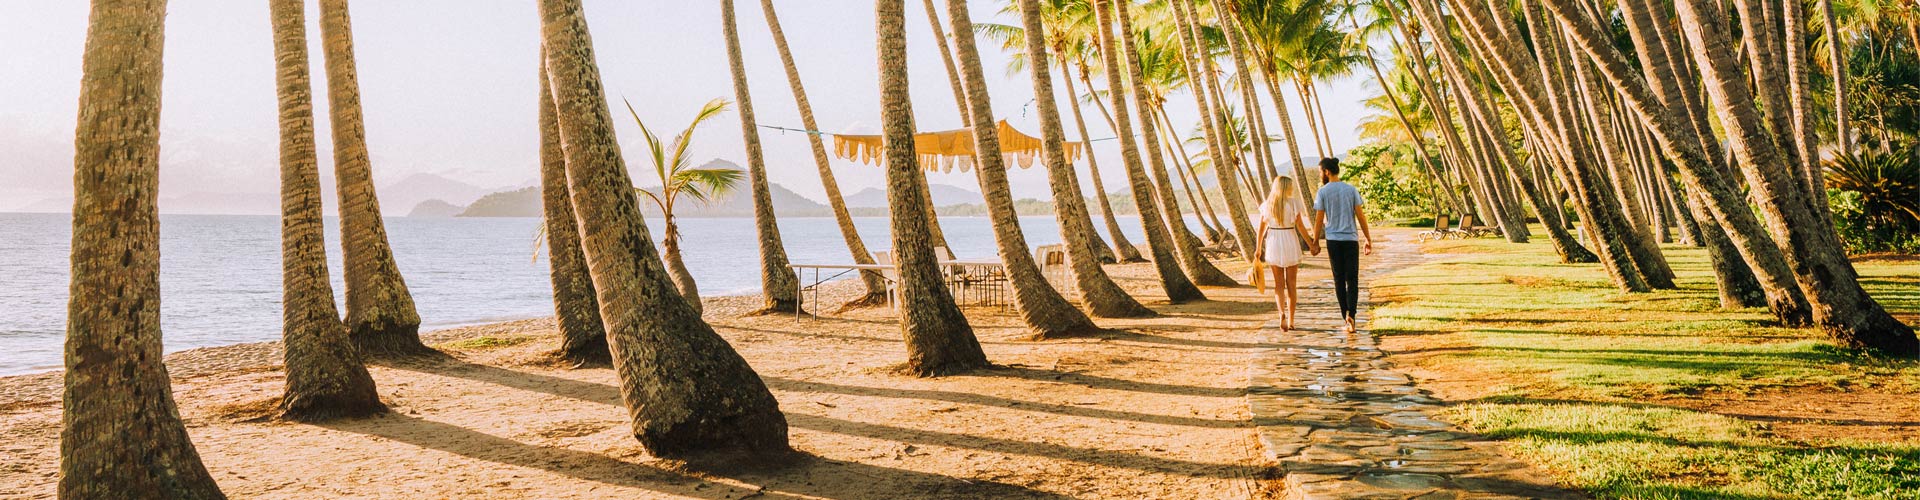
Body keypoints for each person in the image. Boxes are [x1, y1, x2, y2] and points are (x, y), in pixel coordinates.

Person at [1313, 157, 1372, 333]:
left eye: (1320, 172)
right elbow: (1361, 217)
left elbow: (1318, 219)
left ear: (1326, 172)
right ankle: (1352, 315)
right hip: (1351, 240)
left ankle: (1345, 318)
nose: (1320, 175)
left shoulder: (1323, 192)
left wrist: (1315, 241)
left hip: (1333, 241)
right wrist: (1368, 238)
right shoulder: (1351, 189)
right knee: (1352, 280)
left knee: (1339, 280)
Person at [1254, 177, 1317, 330]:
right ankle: (1291, 320)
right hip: (1289, 239)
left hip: (1274, 240)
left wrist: (1258, 248)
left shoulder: (1267, 205)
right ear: (1287, 187)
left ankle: (1281, 312)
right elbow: (1301, 227)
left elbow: (1261, 230)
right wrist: (1311, 244)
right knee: (1291, 284)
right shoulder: (1293, 203)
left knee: (1279, 285)